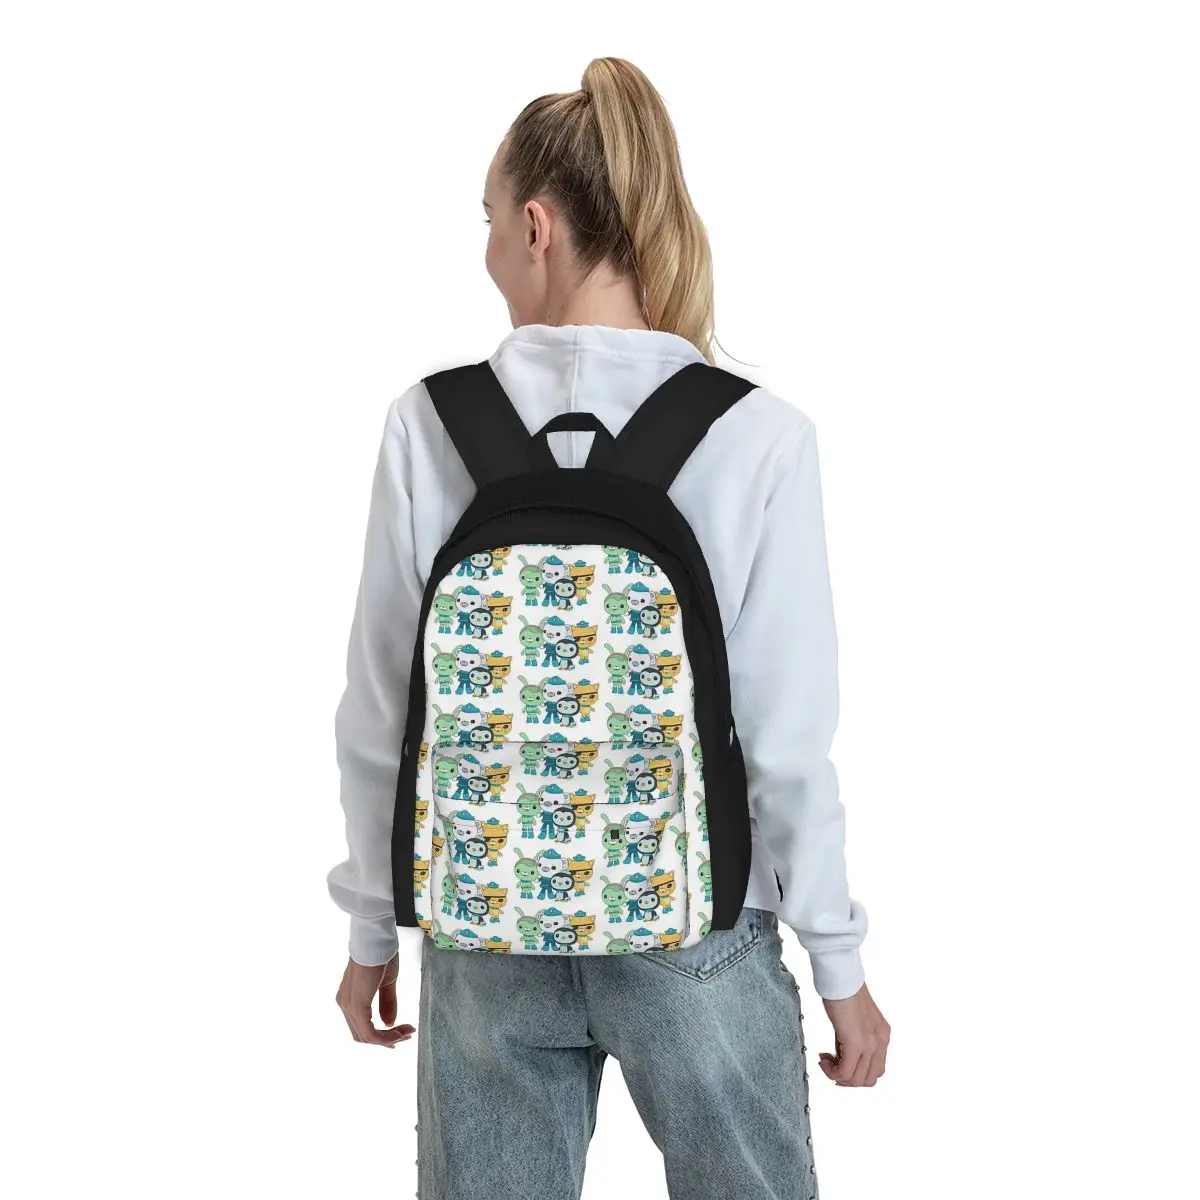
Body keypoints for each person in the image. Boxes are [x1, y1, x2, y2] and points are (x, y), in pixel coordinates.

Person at [328, 56, 889, 1200]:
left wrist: (372, 930)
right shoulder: (758, 436)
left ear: (535, 226)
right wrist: (839, 961)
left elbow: (383, 714)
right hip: (695, 921)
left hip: (487, 925)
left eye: (489, 221)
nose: (488, 250)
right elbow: (786, 740)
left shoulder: (429, 425)